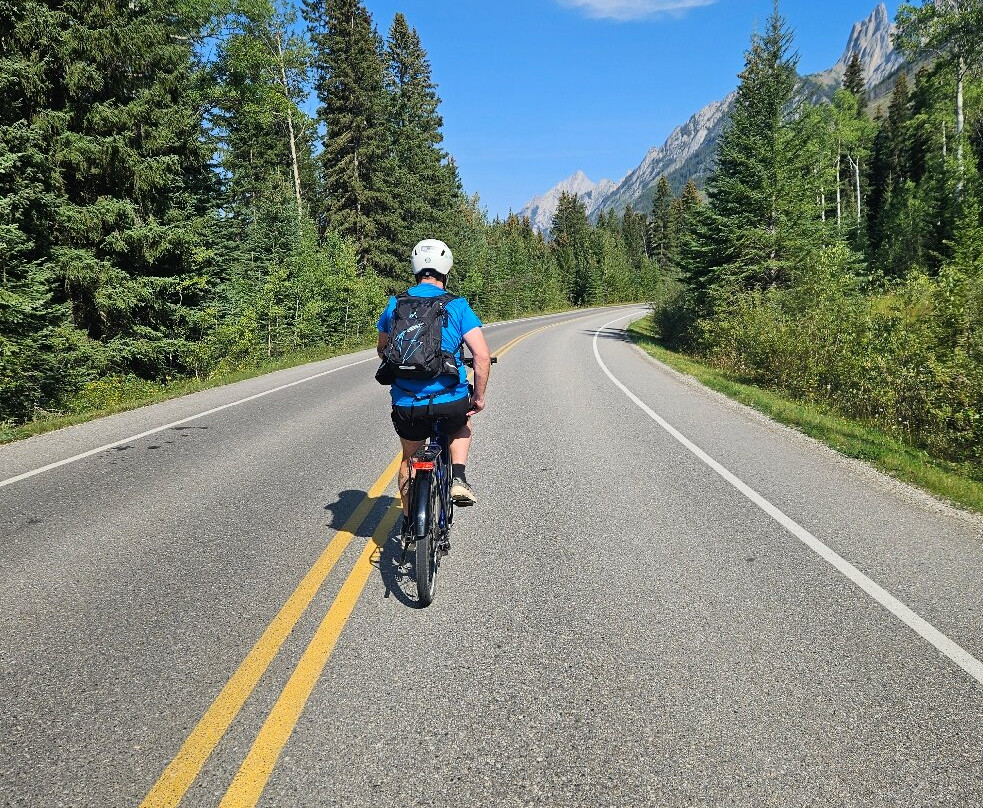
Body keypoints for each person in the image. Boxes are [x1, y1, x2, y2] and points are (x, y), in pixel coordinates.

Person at [376, 238, 491, 537]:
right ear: (446, 270)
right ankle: (458, 479)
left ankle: (408, 523)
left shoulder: (395, 304)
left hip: (406, 404)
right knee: (462, 424)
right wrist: (478, 397)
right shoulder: (457, 305)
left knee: (408, 459)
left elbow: (383, 350)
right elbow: (480, 355)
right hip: (448, 400)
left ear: (416, 269)